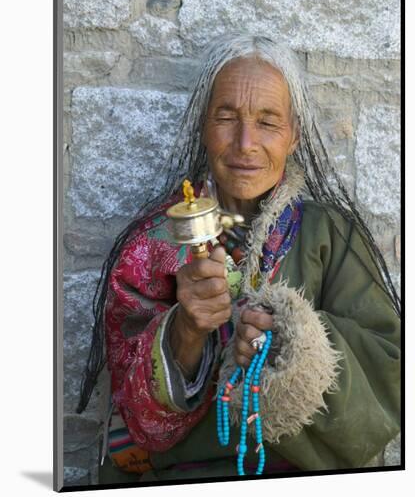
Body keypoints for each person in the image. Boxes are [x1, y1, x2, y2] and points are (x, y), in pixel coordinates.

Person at [76, 34, 401, 483]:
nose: (246, 143)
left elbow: (390, 372)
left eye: (268, 122)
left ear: (293, 136)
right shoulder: (151, 244)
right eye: (226, 117)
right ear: (204, 127)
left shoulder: (333, 237)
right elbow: (131, 416)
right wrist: (186, 331)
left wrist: (291, 339)